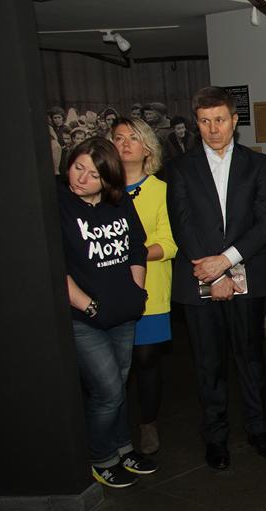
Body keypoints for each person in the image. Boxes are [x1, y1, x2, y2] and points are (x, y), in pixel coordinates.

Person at [167, 86, 266, 470]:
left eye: (219, 120)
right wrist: (212, 273)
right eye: (204, 121)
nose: (213, 129)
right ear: (196, 124)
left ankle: (259, 428)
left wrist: (226, 262)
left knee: (251, 358)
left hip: (246, 270)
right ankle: (215, 436)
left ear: (234, 120)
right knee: (208, 362)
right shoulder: (180, 168)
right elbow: (182, 225)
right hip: (199, 276)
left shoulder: (258, 164)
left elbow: (265, 222)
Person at [59, 137, 157, 487]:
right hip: (84, 317)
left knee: (119, 384)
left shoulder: (119, 201)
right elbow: (55, 264)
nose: (81, 178)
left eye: (93, 175)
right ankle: (100, 457)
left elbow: (136, 248)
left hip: (123, 313)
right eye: (78, 168)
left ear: (108, 180)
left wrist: (136, 291)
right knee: (108, 391)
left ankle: (122, 448)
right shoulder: (58, 202)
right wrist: (87, 304)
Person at [112, 117, 176, 455]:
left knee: (146, 360)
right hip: (108, 292)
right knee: (112, 367)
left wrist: (131, 254)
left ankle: (148, 423)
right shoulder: (99, 189)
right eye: (118, 138)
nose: (125, 144)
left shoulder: (161, 191)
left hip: (151, 288)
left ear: (147, 147)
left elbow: (169, 243)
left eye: (133, 138)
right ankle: (115, 428)